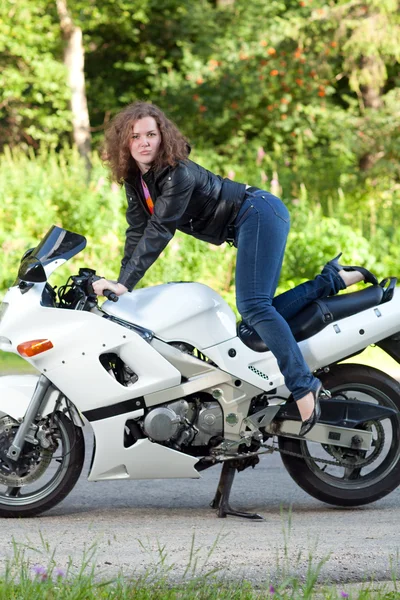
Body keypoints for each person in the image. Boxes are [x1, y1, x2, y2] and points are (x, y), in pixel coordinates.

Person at [93, 101, 378, 435]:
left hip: (256, 213)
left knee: (254, 307)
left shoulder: (177, 173)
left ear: (162, 137)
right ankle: (331, 280)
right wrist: (120, 282)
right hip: (245, 223)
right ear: (124, 143)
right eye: (135, 136)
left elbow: (160, 229)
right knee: (254, 317)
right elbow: (138, 232)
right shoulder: (137, 181)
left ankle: (304, 387)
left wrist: (125, 282)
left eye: (151, 134)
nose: (144, 142)